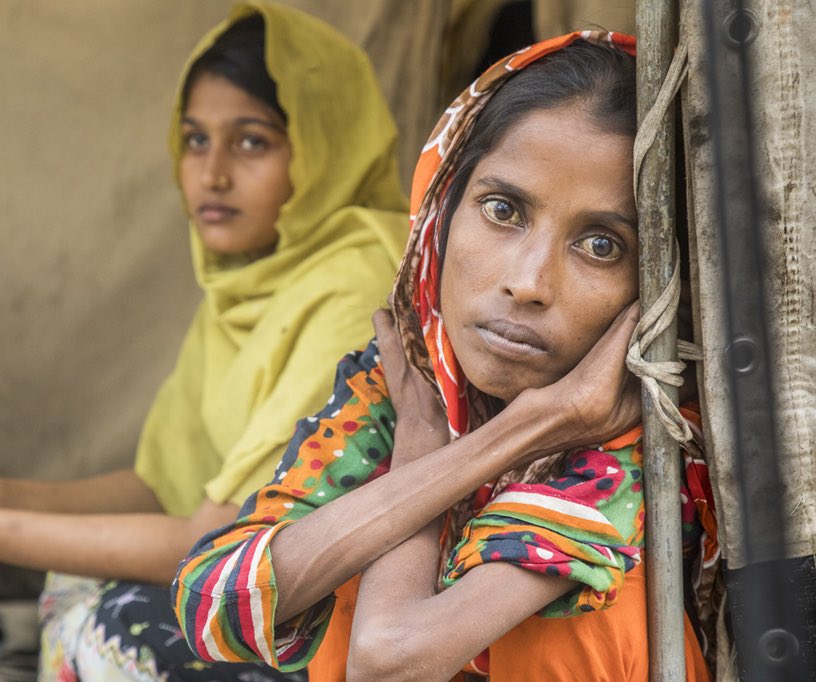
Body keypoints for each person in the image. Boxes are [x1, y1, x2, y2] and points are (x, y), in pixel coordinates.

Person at [0, 4, 409, 680]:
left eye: (251, 142)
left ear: (328, 146)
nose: (210, 175)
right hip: (242, 590)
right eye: (194, 140)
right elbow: (160, 486)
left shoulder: (354, 281)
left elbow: (214, 539)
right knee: (74, 583)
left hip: (338, 629)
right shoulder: (255, 281)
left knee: (108, 621)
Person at [172, 32, 721, 681]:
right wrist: (444, 449)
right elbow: (210, 603)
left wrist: (479, 445)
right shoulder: (406, 385)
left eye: (601, 245)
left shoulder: (634, 437)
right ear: (443, 210)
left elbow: (389, 659)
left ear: (654, 284)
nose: (529, 282)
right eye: (503, 209)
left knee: (581, 608)